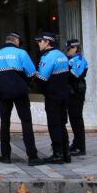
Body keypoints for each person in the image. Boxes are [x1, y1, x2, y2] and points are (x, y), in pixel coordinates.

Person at [0, 32, 43, 166]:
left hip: (3, 94)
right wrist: (26, 84)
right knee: (26, 122)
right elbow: (31, 73)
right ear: (16, 41)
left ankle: (6, 156)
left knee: (4, 123)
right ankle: (32, 157)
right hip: (20, 93)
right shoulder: (21, 53)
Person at [34, 32, 71, 164]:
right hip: (64, 95)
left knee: (54, 124)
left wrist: (34, 75)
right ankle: (66, 153)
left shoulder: (47, 57)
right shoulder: (62, 55)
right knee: (62, 124)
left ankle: (57, 154)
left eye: (40, 41)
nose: (38, 43)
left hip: (53, 96)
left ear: (47, 42)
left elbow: (42, 79)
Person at [66, 39, 89, 156]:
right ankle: (76, 143)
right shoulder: (70, 59)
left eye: (69, 49)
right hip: (71, 92)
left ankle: (80, 147)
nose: (67, 51)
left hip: (77, 92)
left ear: (75, 48)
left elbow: (74, 75)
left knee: (77, 119)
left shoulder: (79, 60)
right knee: (73, 119)